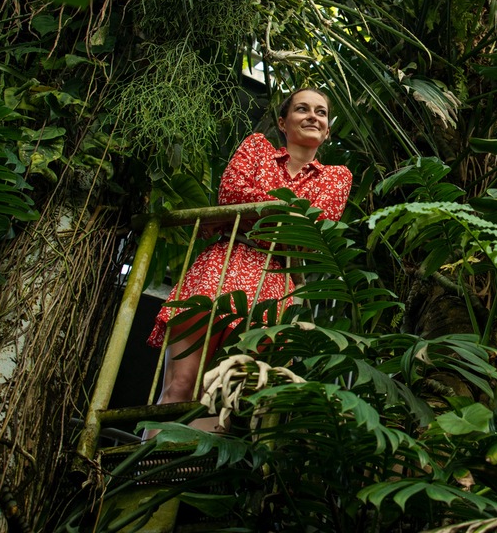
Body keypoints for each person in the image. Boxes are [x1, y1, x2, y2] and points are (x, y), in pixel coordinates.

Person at [146, 88, 352, 427]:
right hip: (220, 266)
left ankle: (186, 476)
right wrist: (287, 213)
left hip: (273, 284)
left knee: (223, 394)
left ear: (327, 130)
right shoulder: (257, 148)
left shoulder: (336, 176)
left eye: (321, 112)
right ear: (283, 122)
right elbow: (232, 194)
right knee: (179, 385)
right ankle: (145, 469)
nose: (313, 116)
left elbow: (317, 225)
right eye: (302, 109)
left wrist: (256, 210)